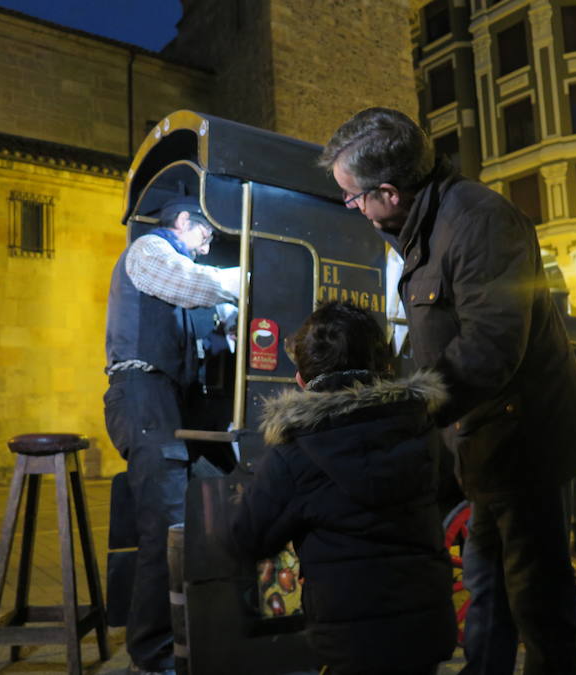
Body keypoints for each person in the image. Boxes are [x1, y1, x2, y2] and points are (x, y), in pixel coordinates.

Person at [320, 108, 576, 675]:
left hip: (526, 437)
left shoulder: (478, 220)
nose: (353, 209)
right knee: (486, 575)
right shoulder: (424, 222)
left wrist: (406, 411)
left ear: (388, 194)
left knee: (536, 588)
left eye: (352, 198)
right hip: (482, 436)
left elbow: (490, 346)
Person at [229, 302, 457, 675]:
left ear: (301, 379)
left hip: (349, 642)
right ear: (383, 366)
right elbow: (446, 493)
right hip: (425, 629)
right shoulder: (421, 428)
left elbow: (247, 536)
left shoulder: (295, 452)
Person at [103, 197, 240, 674]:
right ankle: (152, 654)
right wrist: (246, 278)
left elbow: (218, 319)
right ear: (184, 222)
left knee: (181, 527)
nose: (205, 249)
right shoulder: (149, 252)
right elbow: (189, 282)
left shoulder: (183, 280)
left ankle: (184, 639)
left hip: (164, 400)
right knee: (164, 530)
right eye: (205, 237)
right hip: (142, 394)